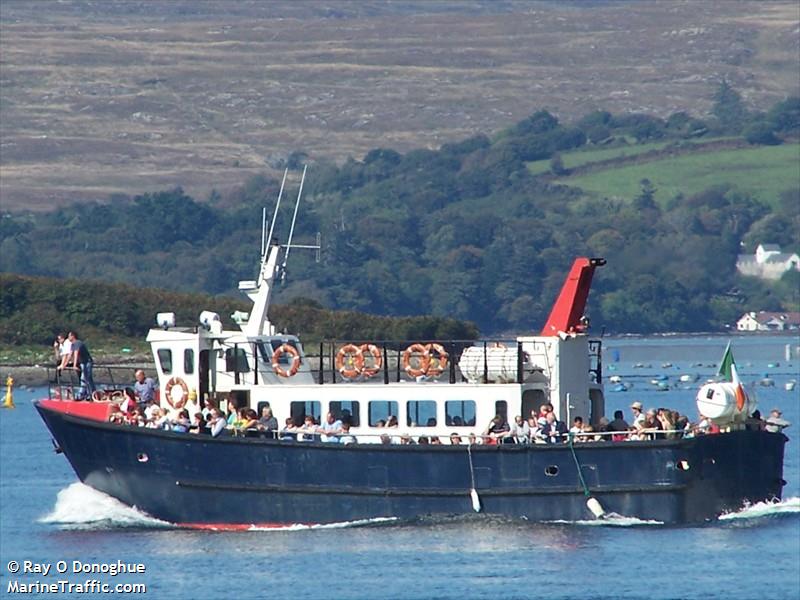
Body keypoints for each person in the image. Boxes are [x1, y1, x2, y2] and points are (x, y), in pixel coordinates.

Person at [66, 331, 95, 400]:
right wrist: (64, 365)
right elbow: (70, 355)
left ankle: (87, 394)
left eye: (69, 336)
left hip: (87, 362)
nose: (68, 337)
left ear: (73, 336)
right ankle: (88, 393)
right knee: (85, 378)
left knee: (86, 378)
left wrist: (75, 365)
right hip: (82, 363)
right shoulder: (72, 345)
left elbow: (76, 353)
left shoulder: (78, 343)